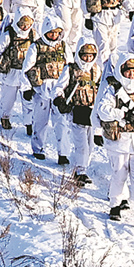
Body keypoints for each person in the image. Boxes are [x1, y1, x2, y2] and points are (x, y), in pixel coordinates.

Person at [96, 53, 134, 227]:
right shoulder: (112, 89)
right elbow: (103, 110)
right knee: (119, 175)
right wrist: (123, 114)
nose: (131, 75)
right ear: (121, 71)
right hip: (119, 141)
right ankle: (115, 205)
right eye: (128, 71)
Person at [23, 14, 71, 161]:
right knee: (40, 121)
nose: (54, 35)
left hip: (59, 90)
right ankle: (38, 149)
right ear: (45, 31)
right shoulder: (36, 46)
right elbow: (26, 68)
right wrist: (27, 88)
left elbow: (70, 66)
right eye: (51, 32)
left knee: (61, 123)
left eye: (57, 32)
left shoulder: (64, 46)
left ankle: (63, 153)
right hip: (41, 89)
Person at [57, 37, 101, 184]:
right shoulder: (70, 69)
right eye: (85, 56)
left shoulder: (96, 70)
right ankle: (79, 171)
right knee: (81, 144)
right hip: (75, 111)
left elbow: (101, 90)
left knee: (90, 144)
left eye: (91, 56)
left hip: (91, 112)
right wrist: (59, 99)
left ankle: (83, 168)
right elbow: (59, 87)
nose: (88, 59)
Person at [0, 11, 36, 129]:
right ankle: (5, 117)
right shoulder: (9, 35)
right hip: (11, 71)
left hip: (27, 72)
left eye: (27, 24)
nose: (25, 27)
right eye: (22, 24)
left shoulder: (33, 34)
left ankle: (29, 123)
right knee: (8, 97)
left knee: (28, 99)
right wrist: (1, 65)